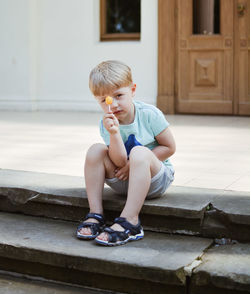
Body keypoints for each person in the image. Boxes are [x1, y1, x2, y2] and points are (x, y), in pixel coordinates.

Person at [76, 60, 176, 246]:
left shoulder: (149, 114)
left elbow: (169, 147)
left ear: (133, 90)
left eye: (119, 95)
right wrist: (114, 134)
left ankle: (131, 221)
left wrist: (137, 162)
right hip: (124, 179)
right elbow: (120, 161)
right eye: (104, 101)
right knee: (95, 150)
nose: (113, 105)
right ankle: (96, 214)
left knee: (139, 152)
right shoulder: (107, 123)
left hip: (156, 179)